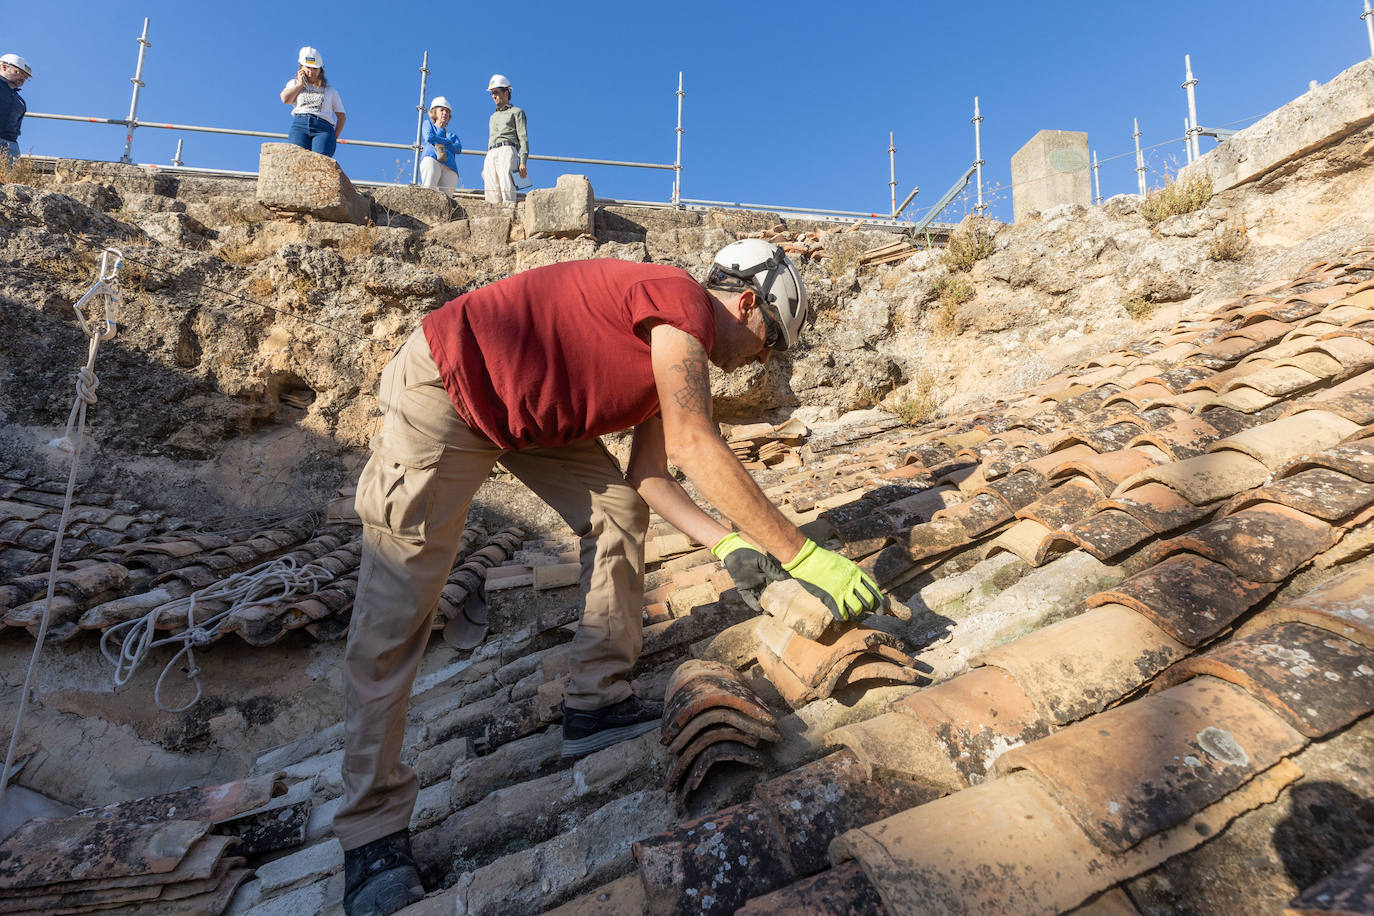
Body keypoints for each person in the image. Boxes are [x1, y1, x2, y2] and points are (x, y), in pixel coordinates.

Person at [334, 239, 885, 915]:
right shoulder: (680, 305)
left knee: (617, 514)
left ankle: (594, 701)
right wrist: (802, 555)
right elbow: (692, 443)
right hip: (447, 387)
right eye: (770, 340)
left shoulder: (672, 349)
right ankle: (370, 833)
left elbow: (651, 479)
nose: (762, 360)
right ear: (746, 303)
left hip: (524, 414)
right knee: (400, 600)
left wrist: (729, 546)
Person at [280, 46, 345, 158]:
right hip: (300, 124)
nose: (311, 72)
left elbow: (341, 116)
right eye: (308, 67)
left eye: (315, 68)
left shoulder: (330, 91)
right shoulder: (294, 83)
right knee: (297, 161)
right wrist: (301, 84)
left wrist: (334, 137)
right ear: (301, 68)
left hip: (323, 128)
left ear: (320, 70)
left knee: (320, 164)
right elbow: (285, 99)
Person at [481, 73, 528, 203]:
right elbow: (491, 139)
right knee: (491, 188)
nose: (493, 96)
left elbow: (523, 137)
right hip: (491, 152)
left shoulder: (517, 112)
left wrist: (523, 161)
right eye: (492, 93)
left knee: (506, 183)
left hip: (507, 149)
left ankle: (509, 214)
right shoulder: (492, 117)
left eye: (496, 92)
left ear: (506, 92)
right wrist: (485, 165)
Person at [419, 96, 462, 190]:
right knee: (429, 190)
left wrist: (438, 140)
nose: (445, 113)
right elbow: (429, 137)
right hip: (432, 158)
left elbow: (458, 148)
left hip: (450, 167)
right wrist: (447, 142)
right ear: (434, 112)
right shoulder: (428, 124)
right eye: (442, 110)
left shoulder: (452, 135)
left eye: (447, 111)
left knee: (447, 199)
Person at [0, 53, 32, 161]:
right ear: (4, 67)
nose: (23, 79)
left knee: (8, 177)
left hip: (10, 146)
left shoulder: (20, 102)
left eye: (26, 77)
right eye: (19, 73)